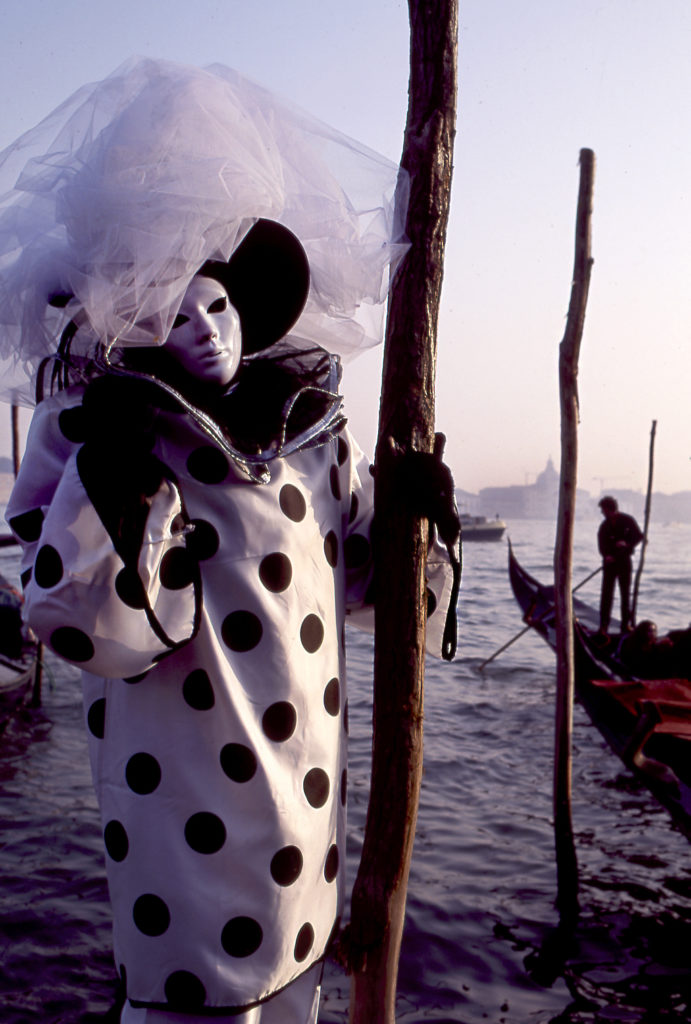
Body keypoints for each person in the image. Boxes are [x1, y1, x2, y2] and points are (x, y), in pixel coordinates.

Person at [1, 61, 459, 1023]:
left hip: (309, 817)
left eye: (219, 304)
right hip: (183, 826)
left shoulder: (305, 431)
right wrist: (115, 484)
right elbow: (95, 628)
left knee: (295, 994)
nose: (205, 332)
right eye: (174, 309)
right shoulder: (114, 440)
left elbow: (373, 589)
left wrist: (415, 519)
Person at [597, 495, 643, 635]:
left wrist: (626, 544)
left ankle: (625, 625)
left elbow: (639, 536)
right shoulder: (604, 526)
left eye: (603, 510)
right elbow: (601, 544)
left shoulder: (627, 520)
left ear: (609, 509)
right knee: (606, 595)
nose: (602, 513)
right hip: (609, 564)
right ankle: (603, 626)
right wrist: (606, 556)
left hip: (624, 562)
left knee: (625, 595)